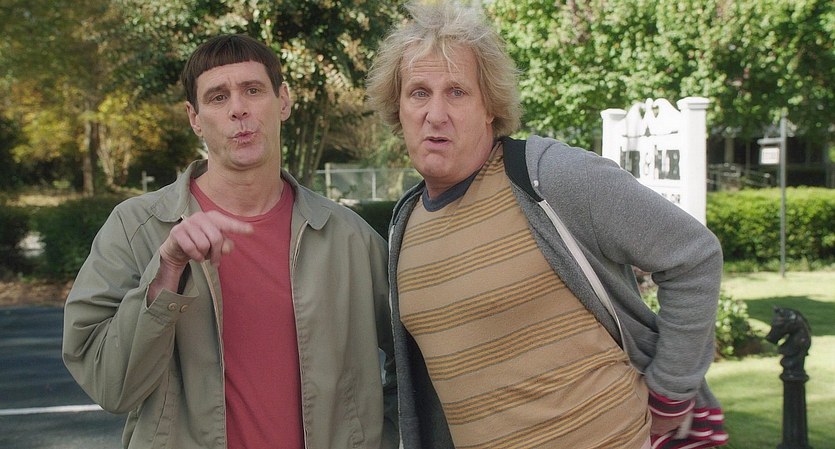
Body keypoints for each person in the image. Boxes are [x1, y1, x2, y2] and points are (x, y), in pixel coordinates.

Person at [365, 2, 728, 448]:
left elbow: (693, 255)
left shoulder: (550, 177)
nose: (435, 113)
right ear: (398, 108)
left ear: (489, 107)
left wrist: (671, 393)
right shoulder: (405, 227)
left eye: (457, 92)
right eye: (419, 92)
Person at [63, 34, 398, 449]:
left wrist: (379, 436)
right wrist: (166, 275)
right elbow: (109, 386)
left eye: (252, 90)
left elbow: (413, 360)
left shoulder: (350, 239)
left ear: (283, 101)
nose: (238, 108)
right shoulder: (136, 227)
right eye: (218, 97)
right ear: (194, 117)